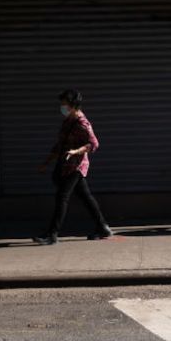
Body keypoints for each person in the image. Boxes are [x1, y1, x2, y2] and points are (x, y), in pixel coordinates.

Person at [32, 89, 113, 245]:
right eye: (61, 104)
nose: (62, 107)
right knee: (85, 196)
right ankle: (103, 227)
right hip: (65, 164)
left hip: (75, 166)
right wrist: (46, 163)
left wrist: (76, 151)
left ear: (73, 105)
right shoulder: (68, 121)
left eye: (65, 105)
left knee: (62, 197)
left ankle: (52, 234)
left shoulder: (82, 123)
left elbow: (94, 144)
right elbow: (60, 145)